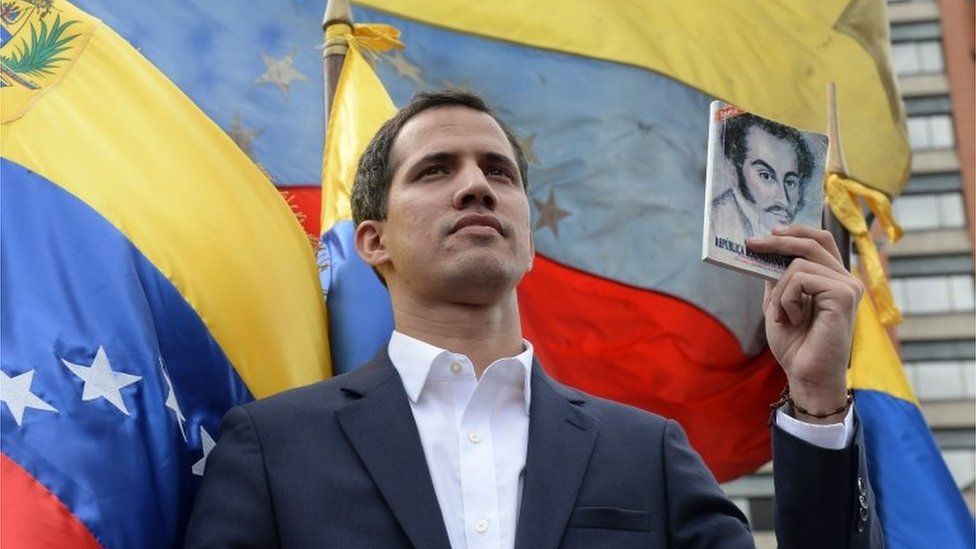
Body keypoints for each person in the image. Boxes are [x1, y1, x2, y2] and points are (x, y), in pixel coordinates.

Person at [185, 90, 882, 548]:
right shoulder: (272, 450)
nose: (475, 185)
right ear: (373, 240)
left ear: (526, 235)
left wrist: (818, 401)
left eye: (499, 171)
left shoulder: (649, 454)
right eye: (435, 170)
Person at [711, 112, 817, 243]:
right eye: (766, 176)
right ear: (733, 170)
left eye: (790, 182)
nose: (784, 200)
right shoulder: (714, 224)